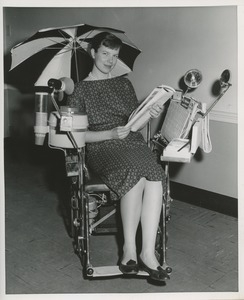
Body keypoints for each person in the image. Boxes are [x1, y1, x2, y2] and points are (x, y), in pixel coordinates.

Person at [67, 32, 168, 282]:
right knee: (134, 173)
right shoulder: (80, 90)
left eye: (114, 56)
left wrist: (151, 112)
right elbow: (78, 137)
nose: (110, 60)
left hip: (131, 143)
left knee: (154, 175)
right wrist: (109, 133)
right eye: (105, 54)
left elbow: (135, 122)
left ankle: (147, 252)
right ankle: (129, 250)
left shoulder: (124, 84)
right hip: (103, 147)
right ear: (92, 53)